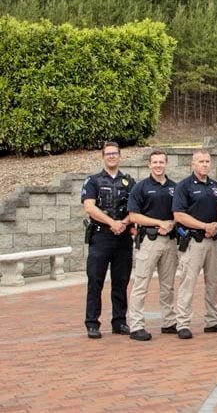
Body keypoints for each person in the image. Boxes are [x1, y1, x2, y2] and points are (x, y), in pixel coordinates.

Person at [172, 149, 217, 339]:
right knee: (188, 283)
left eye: (207, 161)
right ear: (193, 164)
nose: (205, 164)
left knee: (213, 282)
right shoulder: (184, 186)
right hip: (194, 241)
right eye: (201, 161)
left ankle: (212, 321)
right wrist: (204, 225)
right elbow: (179, 215)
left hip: (213, 241)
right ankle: (182, 323)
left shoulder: (215, 185)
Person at [81, 142, 135, 339]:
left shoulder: (129, 182)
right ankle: (92, 323)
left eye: (115, 153)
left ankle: (119, 321)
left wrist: (124, 223)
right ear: (103, 157)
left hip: (123, 237)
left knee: (121, 281)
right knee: (96, 280)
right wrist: (112, 222)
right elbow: (89, 207)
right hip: (101, 236)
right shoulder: (93, 181)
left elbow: (135, 208)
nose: (112, 157)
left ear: (120, 156)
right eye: (108, 154)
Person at [126, 150, 178, 341]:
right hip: (149, 241)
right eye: (154, 162)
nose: (158, 165)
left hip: (170, 241)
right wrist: (158, 223)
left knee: (168, 285)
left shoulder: (175, 187)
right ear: (149, 164)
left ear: (166, 163)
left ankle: (169, 322)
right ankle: (136, 325)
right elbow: (133, 216)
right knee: (141, 284)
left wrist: (171, 224)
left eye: (161, 162)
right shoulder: (140, 188)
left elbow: (180, 213)